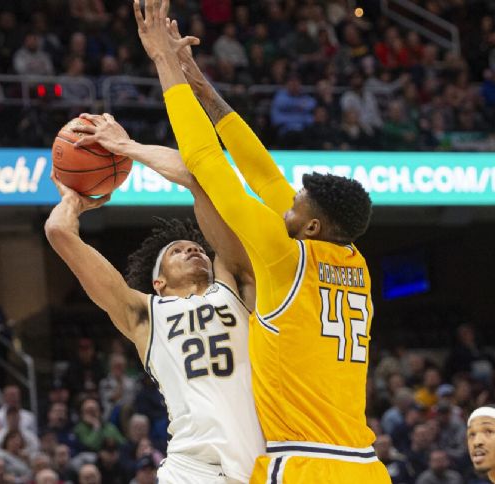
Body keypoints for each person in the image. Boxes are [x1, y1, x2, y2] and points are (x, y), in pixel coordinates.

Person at [130, 4, 387, 481]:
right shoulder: (354, 258)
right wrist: (199, 82)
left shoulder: (284, 253)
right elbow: (262, 170)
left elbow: (206, 159)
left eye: (295, 207)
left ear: (310, 227)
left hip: (304, 462)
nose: (284, 206)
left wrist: (164, 62)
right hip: (366, 466)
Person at [49, 114, 263, 482]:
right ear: (159, 282)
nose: (193, 249)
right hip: (191, 468)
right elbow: (57, 231)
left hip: (260, 466)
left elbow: (202, 181)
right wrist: (74, 201)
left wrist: (126, 148)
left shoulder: (236, 286)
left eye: (196, 247)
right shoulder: (145, 314)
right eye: (178, 250)